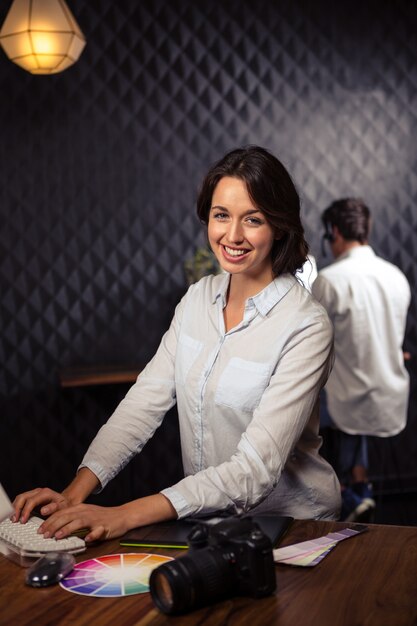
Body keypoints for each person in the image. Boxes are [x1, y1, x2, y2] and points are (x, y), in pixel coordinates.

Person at [12, 146, 341, 542]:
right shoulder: (196, 300)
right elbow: (144, 402)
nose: (232, 236)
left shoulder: (306, 325)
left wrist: (125, 514)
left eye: (252, 220)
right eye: (221, 216)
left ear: (279, 225)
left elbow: (254, 471)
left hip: (296, 528)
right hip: (212, 523)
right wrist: (74, 493)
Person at [312, 198, 411, 521]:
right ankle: (360, 484)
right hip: (389, 394)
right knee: (353, 397)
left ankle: (339, 491)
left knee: (318, 396)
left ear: (335, 232)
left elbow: (311, 345)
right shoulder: (396, 276)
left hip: (348, 399)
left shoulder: (329, 280)